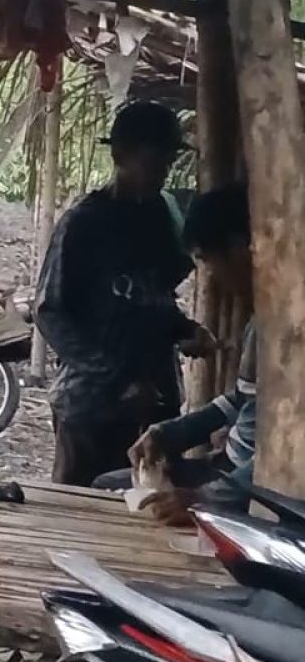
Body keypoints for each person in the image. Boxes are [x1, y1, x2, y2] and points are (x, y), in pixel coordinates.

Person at [34, 100, 216, 487]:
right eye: (152, 161)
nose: (161, 172)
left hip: (155, 405)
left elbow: (154, 298)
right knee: (79, 505)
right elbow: (50, 312)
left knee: (149, 502)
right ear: (120, 155)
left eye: (167, 162)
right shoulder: (84, 223)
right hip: (91, 407)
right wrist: (118, 379)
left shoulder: (163, 217)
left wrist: (185, 330)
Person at [103, 185, 255, 513]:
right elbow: (242, 400)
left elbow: (292, 455)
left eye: (206, 259)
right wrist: (170, 432)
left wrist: (208, 500)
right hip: (229, 468)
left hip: (257, 490)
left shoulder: (290, 336)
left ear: (239, 247)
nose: (210, 275)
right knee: (108, 487)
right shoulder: (261, 323)